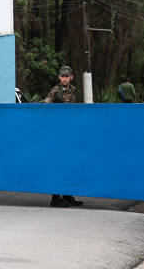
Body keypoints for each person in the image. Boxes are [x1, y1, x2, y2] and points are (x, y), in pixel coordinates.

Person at [44, 65, 83, 208]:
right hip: (57, 133)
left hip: (69, 132)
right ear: (59, 77)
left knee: (69, 163)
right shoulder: (55, 90)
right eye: (62, 76)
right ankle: (55, 198)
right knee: (57, 163)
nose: (64, 78)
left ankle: (66, 195)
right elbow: (45, 106)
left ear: (71, 77)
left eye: (67, 76)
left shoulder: (73, 90)